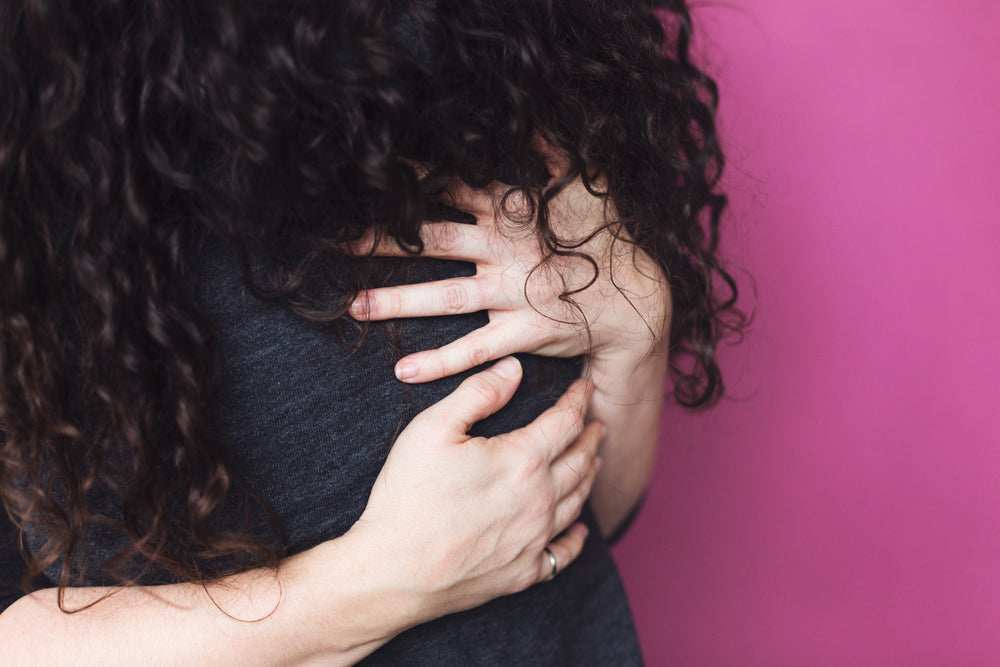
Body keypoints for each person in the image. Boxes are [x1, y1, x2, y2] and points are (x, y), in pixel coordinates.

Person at [0, 0, 741, 663]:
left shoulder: (476, 40)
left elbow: (580, 527)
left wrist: (636, 326)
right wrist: (374, 583)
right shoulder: (39, 154)